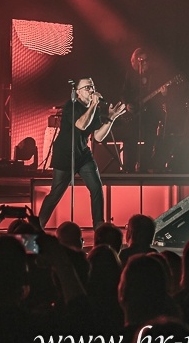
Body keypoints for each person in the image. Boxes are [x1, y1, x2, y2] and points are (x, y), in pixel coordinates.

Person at [37, 77, 125, 231]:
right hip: (64, 155)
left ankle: (99, 226)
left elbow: (98, 137)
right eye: (87, 87)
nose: (91, 90)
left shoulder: (94, 109)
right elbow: (81, 125)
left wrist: (111, 118)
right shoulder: (71, 106)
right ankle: (38, 225)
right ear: (78, 92)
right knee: (56, 193)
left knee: (96, 187)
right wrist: (94, 105)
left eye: (92, 86)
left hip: (83, 154)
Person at [118, 47, 173, 173]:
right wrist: (127, 104)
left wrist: (164, 94)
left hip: (150, 113)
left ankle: (145, 167)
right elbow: (124, 93)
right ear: (135, 61)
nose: (144, 63)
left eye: (145, 60)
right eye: (140, 60)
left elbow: (161, 98)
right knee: (131, 139)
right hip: (134, 112)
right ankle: (129, 166)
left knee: (149, 139)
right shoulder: (131, 75)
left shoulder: (154, 75)